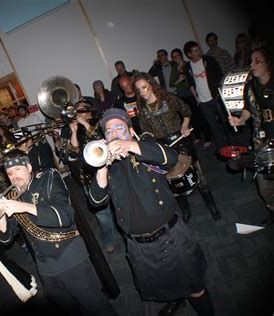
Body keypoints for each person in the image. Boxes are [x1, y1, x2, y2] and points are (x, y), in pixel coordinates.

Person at [88, 108, 214, 316]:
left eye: (119, 128)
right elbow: (95, 201)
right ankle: (177, 300)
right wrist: (101, 166)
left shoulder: (144, 147)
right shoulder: (108, 166)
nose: (114, 134)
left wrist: (129, 146)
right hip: (138, 245)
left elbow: (171, 158)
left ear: (130, 130)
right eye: (109, 132)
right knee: (162, 288)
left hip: (170, 236)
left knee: (195, 288)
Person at [0, 151, 115, 315]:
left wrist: (25, 207)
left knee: (96, 308)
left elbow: (66, 215)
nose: (14, 176)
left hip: (70, 256)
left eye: (18, 169)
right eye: (10, 173)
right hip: (44, 266)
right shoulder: (13, 195)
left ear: (28, 167)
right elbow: (6, 239)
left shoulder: (48, 177)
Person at [134, 72, 222, 222]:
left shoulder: (167, 98)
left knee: (199, 176)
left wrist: (185, 125)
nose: (142, 92)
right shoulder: (141, 110)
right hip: (164, 148)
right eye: (139, 90)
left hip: (182, 142)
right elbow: (146, 132)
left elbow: (186, 109)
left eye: (145, 87)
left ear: (151, 85)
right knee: (174, 181)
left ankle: (213, 207)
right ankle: (186, 211)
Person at [229, 46, 274, 227]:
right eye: (251, 61)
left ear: (268, 64)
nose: (252, 65)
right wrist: (239, 121)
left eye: (258, 61)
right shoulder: (250, 86)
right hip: (261, 141)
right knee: (264, 186)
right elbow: (248, 110)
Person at [68, 100, 117, 253]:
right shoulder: (79, 129)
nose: (78, 114)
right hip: (88, 177)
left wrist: (85, 124)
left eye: (81, 110)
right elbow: (73, 153)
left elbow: (103, 140)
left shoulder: (99, 123)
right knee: (101, 213)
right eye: (76, 111)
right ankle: (109, 239)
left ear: (89, 111)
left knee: (117, 204)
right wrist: (74, 132)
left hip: (108, 173)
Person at [184, 40, 228, 150]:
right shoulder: (188, 66)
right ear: (189, 54)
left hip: (215, 97)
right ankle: (222, 149)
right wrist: (197, 100)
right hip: (203, 102)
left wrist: (219, 93)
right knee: (213, 127)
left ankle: (233, 145)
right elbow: (191, 85)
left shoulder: (209, 60)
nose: (199, 52)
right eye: (195, 51)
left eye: (198, 49)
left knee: (226, 123)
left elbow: (220, 75)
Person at [169, 48, 212, 147]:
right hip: (182, 97)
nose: (175, 58)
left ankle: (208, 138)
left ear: (181, 55)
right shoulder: (174, 69)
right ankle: (197, 137)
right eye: (173, 57)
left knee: (199, 116)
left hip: (192, 94)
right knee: (190, 118)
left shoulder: (188, 65)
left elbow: (194, 80)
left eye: (176, 56)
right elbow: (171, 84)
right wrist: (179, 80)